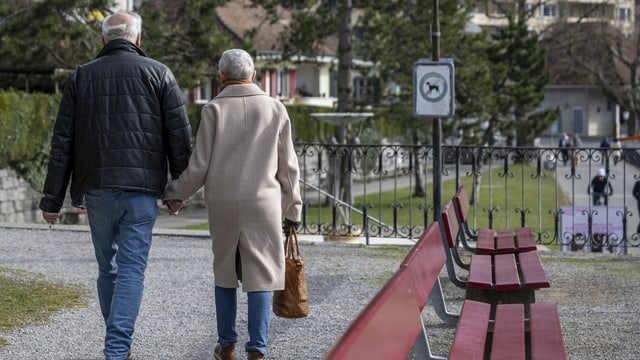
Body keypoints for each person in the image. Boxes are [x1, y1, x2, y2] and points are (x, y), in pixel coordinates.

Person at [38, 12, 192, 360]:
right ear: (138, 39)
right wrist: (178, 189)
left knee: (107, 267)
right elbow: (179, 138)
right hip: (141, 189)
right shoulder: (159, 73)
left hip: (97, 187)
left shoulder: (81, 77)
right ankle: (117, 349)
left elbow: (63, 142)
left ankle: (117, 348)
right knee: (132, 269)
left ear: (104, 40)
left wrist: (52, 199)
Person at [162, 49, 302, 360]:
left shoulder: (213, 109)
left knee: (224, 271)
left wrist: (174, 193)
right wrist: (294, 209)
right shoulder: (275, 108)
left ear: (222, 76)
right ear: (254, 75)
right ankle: (257, 350)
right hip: (263, 202)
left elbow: (198, 168)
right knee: (262, 275)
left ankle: (226, 345)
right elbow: (288, 167)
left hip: (223, 202)